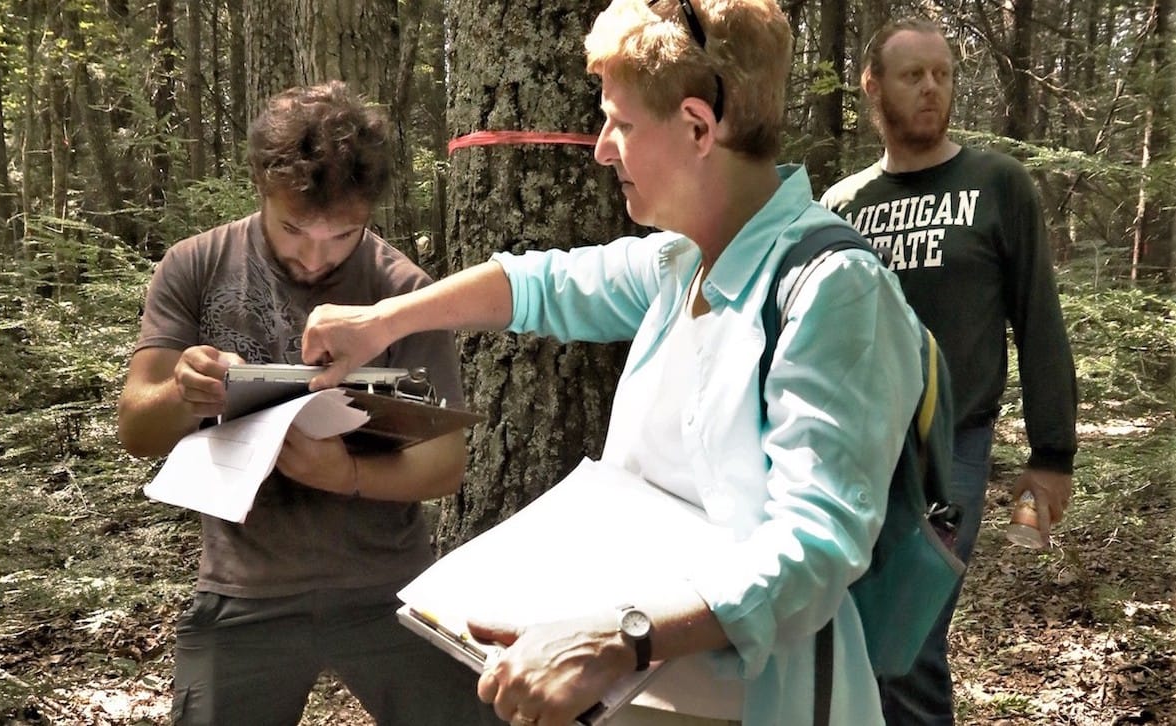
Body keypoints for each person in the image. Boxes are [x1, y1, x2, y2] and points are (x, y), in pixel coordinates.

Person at [299, 2, 928, 724]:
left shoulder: (832, 289)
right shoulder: (680, 259)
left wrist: (617, 637)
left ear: (697, 126)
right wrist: (382, 321)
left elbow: (815, 545)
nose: (600, 148)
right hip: (639, 692)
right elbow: (538, 284)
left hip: (755, 703)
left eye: (620, 123)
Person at [116, 81, 500, 726]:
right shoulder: (197, 266)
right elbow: (137, 428)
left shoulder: (402, 292)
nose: (314, 254)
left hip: (388, 587)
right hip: (243, 589)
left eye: (343, 234)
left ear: (370, 212)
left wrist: (345, 475)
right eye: (294, 228)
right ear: (262, 189)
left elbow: (444, 465)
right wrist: (187, 391)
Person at [819, 18, 1078, 726]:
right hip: (853, 447)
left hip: (948, 452)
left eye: (942, 74)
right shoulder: (842, 205)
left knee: (906, 637)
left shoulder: (996, 185)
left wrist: (1051, 452)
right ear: (873, 86)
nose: (931, 89)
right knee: (844, 633)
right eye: (912, 75)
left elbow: (1038, 321)